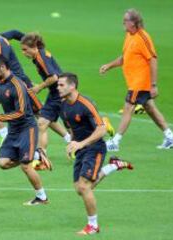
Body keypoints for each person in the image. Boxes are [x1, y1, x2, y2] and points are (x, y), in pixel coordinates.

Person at [0, 29, 68, 157]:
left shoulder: (0, 45)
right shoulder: (0, 38)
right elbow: (15, 33)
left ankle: (68, 138)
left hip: (19, 84)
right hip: (4, 84)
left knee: (41, 114)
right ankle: (4, 134)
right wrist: (29, 42)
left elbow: (1, 66)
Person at [57, 73, 133, 235]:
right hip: (81, 148)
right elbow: (72, 128)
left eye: (61, 85)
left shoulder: (85, 104)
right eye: (58, 85)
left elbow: (102, 129)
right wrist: (72, 143)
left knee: (84, 187)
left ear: (72, 86)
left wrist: (81, 144)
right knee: (80, 188)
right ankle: (113, 166)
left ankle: (93, 225)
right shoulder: (63, 106)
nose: (58, 88)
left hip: (95, 147)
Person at [20, 32, 115, 157]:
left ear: (34, 47)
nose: (23, 53)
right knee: (63, 122)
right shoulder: (40, 53)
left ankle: (42, 158)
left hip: (58, 93)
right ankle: (97, 128)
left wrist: (39, 87)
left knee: (42, 123)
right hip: (57, 92)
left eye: (25, 50)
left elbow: (54, 77)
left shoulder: (40, 58)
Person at [99, 9, 173, 151]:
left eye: (125, 20)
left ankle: (115, 141)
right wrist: (109, 66)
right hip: (134, 81)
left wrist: (153, 84)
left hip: (140, 82)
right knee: (150, 108)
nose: (123, 23)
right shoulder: (129, 35)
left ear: (134, 22)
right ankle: (170, 136)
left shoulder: (143, 37)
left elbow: (153, 59)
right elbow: (125, 57)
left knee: (128, 107)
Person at [0, 55, 49, 205]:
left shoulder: (18, 85)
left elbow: (21, 112)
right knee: (2, 163)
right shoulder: (0, 81)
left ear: (2, 67)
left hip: (27, 128)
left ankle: (42, 197)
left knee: (26, 166)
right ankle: (35, 156)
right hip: (13, 130)